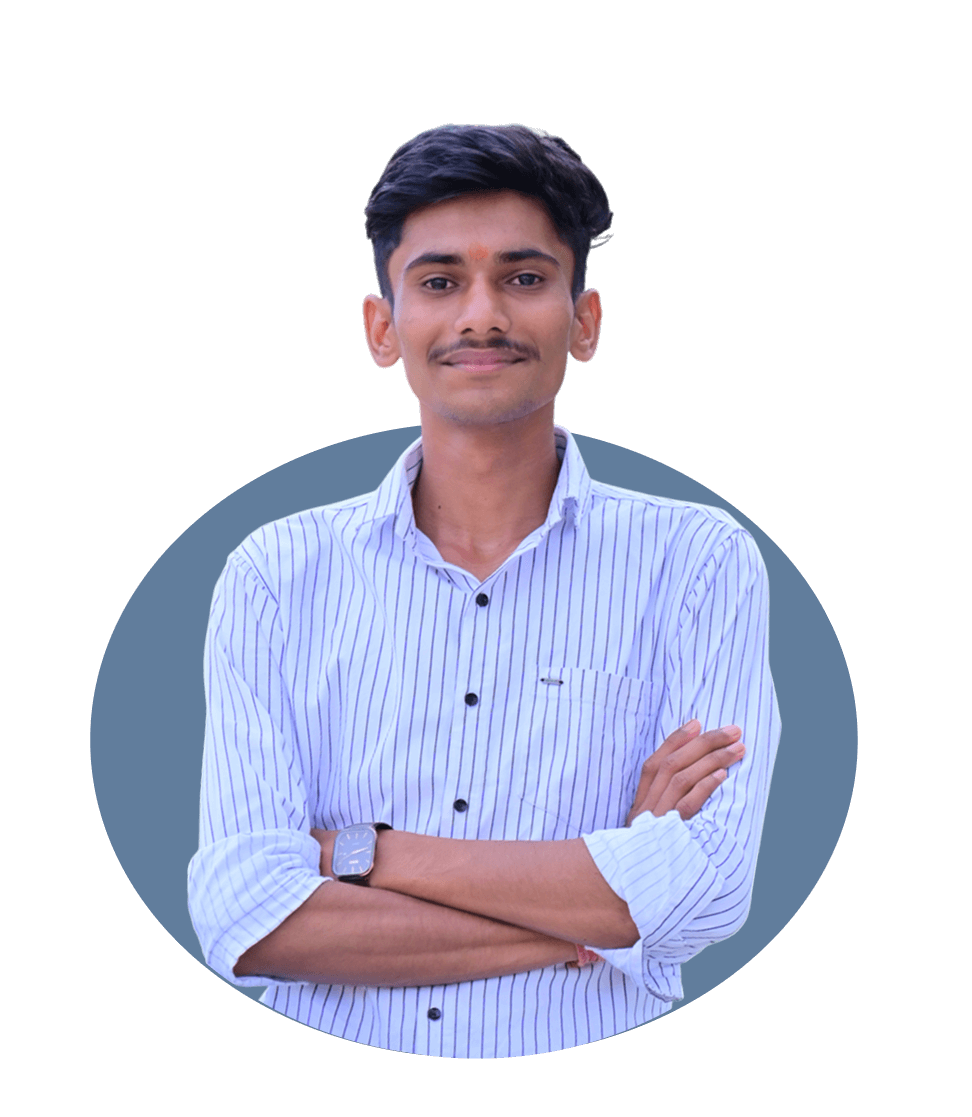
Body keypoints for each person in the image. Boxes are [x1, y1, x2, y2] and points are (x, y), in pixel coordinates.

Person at [187, 123, 782, 1057]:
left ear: (584, 321)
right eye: (437, 283)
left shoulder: (699, 561)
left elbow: (707, 890)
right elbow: (246, 917)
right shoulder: (276, 574)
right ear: (382, 328)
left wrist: (365, 852)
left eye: (524, 277)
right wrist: (603, 908)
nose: (481, 315)